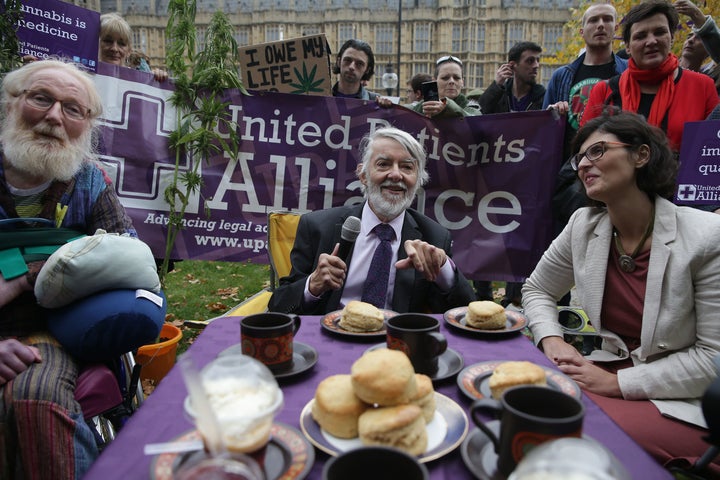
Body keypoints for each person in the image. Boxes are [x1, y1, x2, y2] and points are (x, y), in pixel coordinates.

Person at [522, 111, 720, 475]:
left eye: (597, 151)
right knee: (528, 410)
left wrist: (617, 384)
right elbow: (537, 289)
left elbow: (712, 360)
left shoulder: (707, 236)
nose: (584, 164)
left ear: (641, 156)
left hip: (683, 400)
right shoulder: (583, 224)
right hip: (603, 370)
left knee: (569, 434)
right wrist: (552, 339)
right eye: (579, 157)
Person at [0, 59, 137, 478]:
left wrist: (24, 275)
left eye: (72, 108)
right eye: (42, 98)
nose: (55, 116)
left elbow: (129, 259)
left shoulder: (89, 183)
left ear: (87, 125)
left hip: (47, 333)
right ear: (12, 103)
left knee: (35, 397)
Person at [268, 127, 476, 315]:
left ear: (418, 180)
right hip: (332, 337)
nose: (396, 175)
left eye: (407, 167)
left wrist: (443, 269)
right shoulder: (317, 227)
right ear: (363, 175)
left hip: (396, 343)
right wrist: (312, 286)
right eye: (383, 164)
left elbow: (464, 312)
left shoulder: (434, 237)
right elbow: (279, 305)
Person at [581, 0, 719, 152]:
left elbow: (712, 153)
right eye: (641, 36)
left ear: (672, 37)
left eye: (659, 32)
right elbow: (585, 151)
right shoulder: (604, 91)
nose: (652, 41)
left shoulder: (702, 87)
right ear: (627, 46)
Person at [478, 41, 545, 114]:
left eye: (537, 61)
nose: (536, 65)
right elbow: (478, 114)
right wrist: (496, 85)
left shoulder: (543, 97)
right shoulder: (499, 96)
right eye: (530, 61)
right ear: (512, 65)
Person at [99, 12, 168, 82]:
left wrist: (155, 79)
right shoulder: (88, 76)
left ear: (129, 50)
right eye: (108, 41)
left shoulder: (138, 80)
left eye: (121, 44)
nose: (114, 48)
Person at [412, 55, 481, 118]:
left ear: (462, 82)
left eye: (456, 78)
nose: (452, 81)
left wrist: (447, 106)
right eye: (445, 78)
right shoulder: (420, 108)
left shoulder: (472, 109)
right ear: (434, 81)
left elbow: (475, 122)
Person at [331, 39, 392, 107]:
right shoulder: (321, 98)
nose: (352, 67)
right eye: (348, 60)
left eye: (359, 64)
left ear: (367, 70)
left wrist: (387, 112)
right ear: (339, 62)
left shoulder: (375, 103)